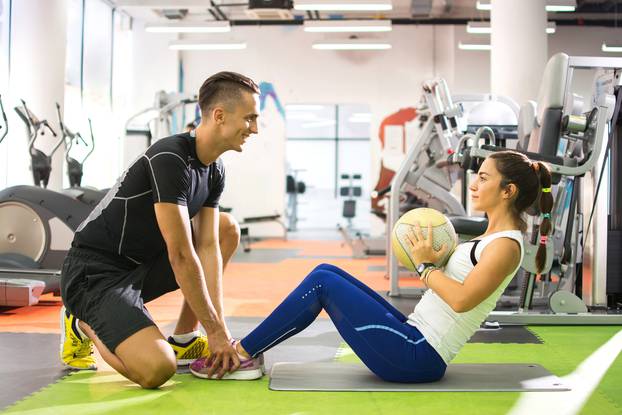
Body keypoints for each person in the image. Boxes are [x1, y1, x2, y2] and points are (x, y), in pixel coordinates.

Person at [190, 151, 553, 382]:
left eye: (484, 178)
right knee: (327, 272)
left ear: (508, 191)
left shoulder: (506, 246)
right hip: (412, 333)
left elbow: (461, 301)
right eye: (477, 176)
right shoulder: (490, 237)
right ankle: (247, 351)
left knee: (322, 284)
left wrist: (426, 266)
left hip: (417, 355)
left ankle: (241, 354)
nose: (474, 185)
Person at [60, 71, 261, 388]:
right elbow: (181, 256)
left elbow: (207, 247)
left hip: (141, 267)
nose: (255, 129)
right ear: (220, 116)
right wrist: (217, 334)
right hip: (94, 273)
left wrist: (218, 331)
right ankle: (81, 321)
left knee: (226, 230)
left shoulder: (215, 170)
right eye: (250, 118)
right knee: (157, 370)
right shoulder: (171, 157)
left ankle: (183, 339)